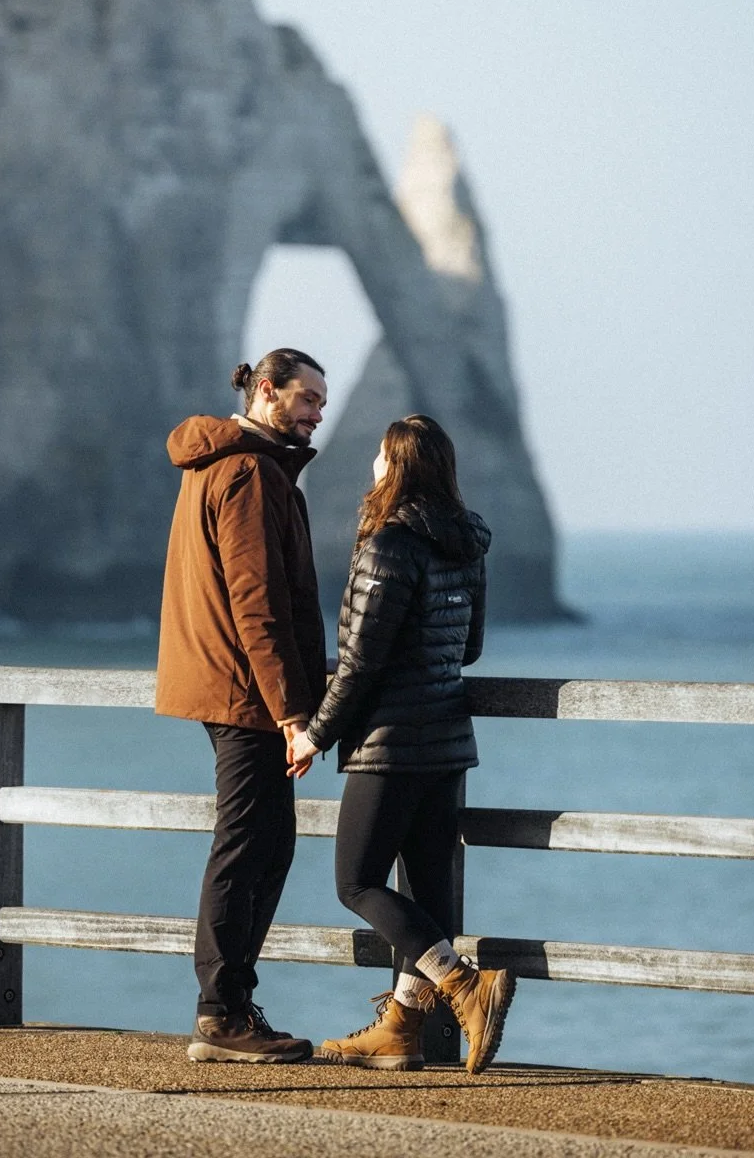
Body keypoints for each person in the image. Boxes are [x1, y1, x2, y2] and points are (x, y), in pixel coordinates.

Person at [288, 414, 514, 1075]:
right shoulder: (465, 544)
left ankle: (466, 985)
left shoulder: (386, 545)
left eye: (382, 458)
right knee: (429, 888)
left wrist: (313, 734)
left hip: (391, 742)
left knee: (356, 881)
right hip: (446, 741)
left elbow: (358, 662)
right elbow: (469, 647)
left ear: (398, 467)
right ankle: (400, 1034)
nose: (374, 469)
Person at [155, 349, 328, 1063]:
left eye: (322, 400)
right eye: (307, 398)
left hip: (225, 681)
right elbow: (256, 605)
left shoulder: (214, 462)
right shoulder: (250, 473)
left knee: (267, 842)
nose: (318, 412)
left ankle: (230, 1004)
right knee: (248, 844)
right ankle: (222, 1013)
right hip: (246, 690)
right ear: (266, 392)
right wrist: (292, 712)